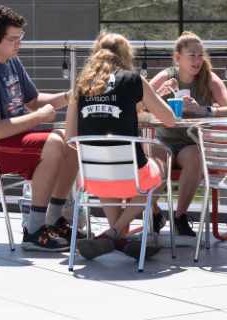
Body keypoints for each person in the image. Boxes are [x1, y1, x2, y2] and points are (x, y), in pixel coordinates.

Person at [0, 6, 77, 252]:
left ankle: (53, 219)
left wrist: (69, 96)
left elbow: (32, 101)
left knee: (71, 142)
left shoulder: (11, 61)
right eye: (12, 39)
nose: (18, 44)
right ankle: (34, 230)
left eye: (20, 38)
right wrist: (38, 118)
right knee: (52, 144)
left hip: (4, 141)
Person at [66, 32, 177, 261]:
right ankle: (116, 233)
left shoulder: (81, 84)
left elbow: (70, 136)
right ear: (126, 55)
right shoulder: (134, 79)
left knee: (109, 172)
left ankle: (114, 238)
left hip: (92, 179)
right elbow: (169, 120)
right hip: (132, 177)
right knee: (159, 168)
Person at [149, 31, 227, 236]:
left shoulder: (208, 79)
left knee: (195, 157)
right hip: (164, 138)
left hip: (190, 142)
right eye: (192, 55)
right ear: (178, 57)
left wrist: (204, 110)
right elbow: (138, 106)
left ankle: (180, 216)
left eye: (200, 55)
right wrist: (159, 94)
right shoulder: (166, 76)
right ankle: (154, 211)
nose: (197, 60)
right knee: (154, 163)